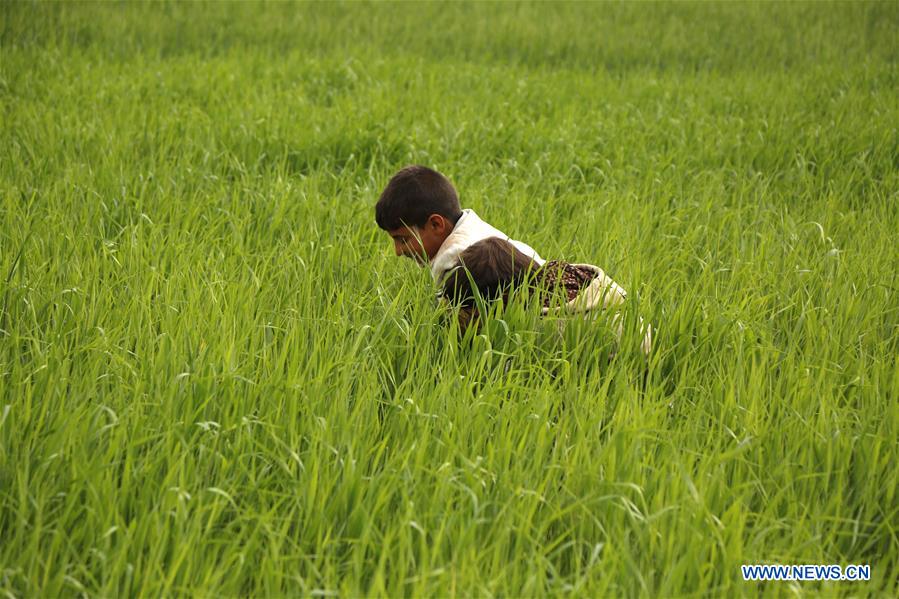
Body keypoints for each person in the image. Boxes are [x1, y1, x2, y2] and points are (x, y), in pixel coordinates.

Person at [374, 165, 543, 285]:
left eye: (403, 240)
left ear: (436, 224)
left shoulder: (454, 259)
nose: (397, 251)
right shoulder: (476, 228)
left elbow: (454, 323)